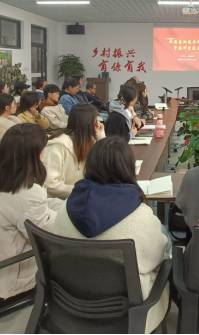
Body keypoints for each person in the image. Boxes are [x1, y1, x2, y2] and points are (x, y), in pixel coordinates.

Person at [54, 137, 170, 334]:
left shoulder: (64, 209)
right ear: (128, 168)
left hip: (70, 302)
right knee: (166, 245)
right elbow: (156, 259)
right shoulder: (140, 217)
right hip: (125, 313)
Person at [0, 124, 63, 300]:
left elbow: (38, 207)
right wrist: (74, 213)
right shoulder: (26, 192)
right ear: (35, 153)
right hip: (10, 276)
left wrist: (67, 206)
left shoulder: (1, 178)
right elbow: (49, 234)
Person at [42, 104, 105, 199]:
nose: (98, 123)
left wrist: (101, 137)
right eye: (96, 119)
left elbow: (105, 168)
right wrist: (83, 191)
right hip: (60, 202)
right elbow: (50, 184)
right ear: (87, 122)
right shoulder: (57, 146)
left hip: (82, 197)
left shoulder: (91, 141)